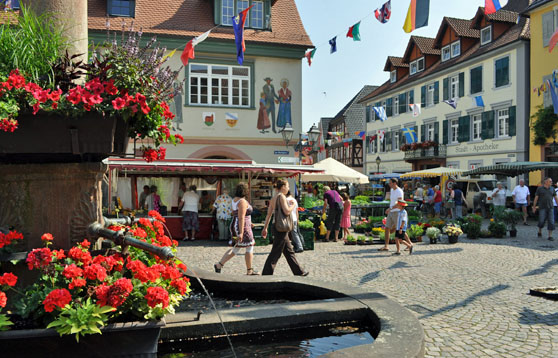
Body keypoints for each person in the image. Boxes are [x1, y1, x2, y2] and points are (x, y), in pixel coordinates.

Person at [261, 179, 308, 276]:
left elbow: (269, 214)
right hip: (281, 228)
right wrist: (293, 206)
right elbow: (287, 211)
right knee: (276, 252)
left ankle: (299, 271)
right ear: (282, 187)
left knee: (289, 251)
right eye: (287, 186)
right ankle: (266, 273)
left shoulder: (274, 198)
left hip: (277, 226)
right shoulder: (282, 196)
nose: (288, 188)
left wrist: (265, 228)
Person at [213, 183, 258, 275]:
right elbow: (241, 217)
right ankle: (249, 270)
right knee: (249, 246)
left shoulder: (234, 200)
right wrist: (241, 232)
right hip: (242, 226)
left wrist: (249, 223)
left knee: (236, 248)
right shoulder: (242, 201)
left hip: (237, 224)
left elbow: (236, 214)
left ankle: (219, 264)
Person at [378, 178, 404, 252]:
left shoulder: (399, 191)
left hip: (397, 212)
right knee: (387, 227)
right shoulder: (392, 190)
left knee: (399, 229)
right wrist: (389, 208)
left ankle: (409, 243)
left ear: (394, 183)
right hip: (391, 211)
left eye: (390, 183)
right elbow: (392, 201)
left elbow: (399, 202)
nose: (389, 184)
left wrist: (391, 208)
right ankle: (386, 246)